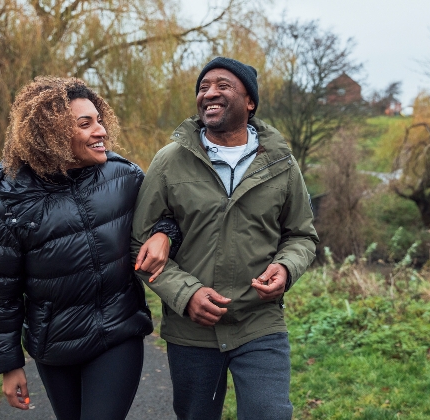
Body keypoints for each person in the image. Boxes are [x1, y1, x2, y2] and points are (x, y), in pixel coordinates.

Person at [0, 76, 181, 420]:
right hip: (54, 347)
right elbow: (0, 295)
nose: (100, 130)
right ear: (50, 135)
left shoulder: (125, 177)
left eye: (99, 120)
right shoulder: (9, 207)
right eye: (85, 124)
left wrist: (165, 232)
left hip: (119, 332)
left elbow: (169, 213)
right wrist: (8, 365)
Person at [131, 57, 319, 420]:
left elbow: (302, 235)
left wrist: (285, 268)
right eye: (203, 87)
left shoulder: (281, 162)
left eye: (222, 85)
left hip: (259, 323)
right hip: (192, 331)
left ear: (250, 102)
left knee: (270, 414)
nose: (209, 93)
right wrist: (185, 295)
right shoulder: (170, 162)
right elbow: (139, 243)